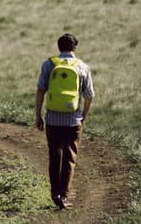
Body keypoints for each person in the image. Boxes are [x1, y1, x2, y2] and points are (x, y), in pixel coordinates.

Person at [35, 33, 94, 210]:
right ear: (74, 48)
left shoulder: (49, 64)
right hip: (73, 121)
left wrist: (38, 115)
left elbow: (40, 90)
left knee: (55, 156)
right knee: (70, 158)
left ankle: (54, 193)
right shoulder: (82, 67)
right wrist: (83, 115)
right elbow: (89, 96)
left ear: (59, 47)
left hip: (53, 119)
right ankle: (64, 195)